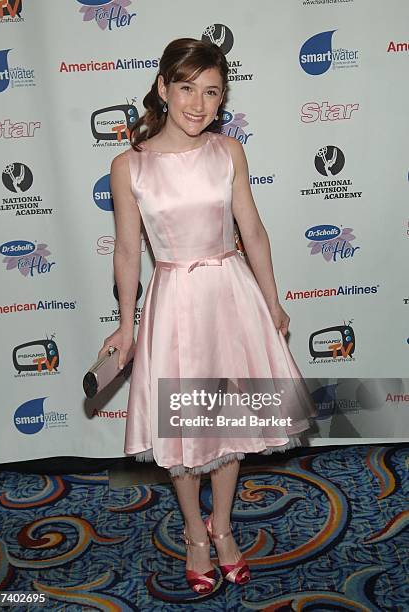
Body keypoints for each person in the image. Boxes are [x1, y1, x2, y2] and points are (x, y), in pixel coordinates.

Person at [99, 38, 316, 594]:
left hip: (232, 294)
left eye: (212, 92)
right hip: (175, 301)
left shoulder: (229, 152)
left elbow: (254, 232)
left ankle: (223, 529)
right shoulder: (130, 166)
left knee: (231, 421)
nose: (198, 103)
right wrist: (128, 324)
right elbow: (127, 252)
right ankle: (195, 533)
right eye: (187, 87)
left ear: (223, 99)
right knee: (185, 428)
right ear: (162, 88)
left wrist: (273, 302)